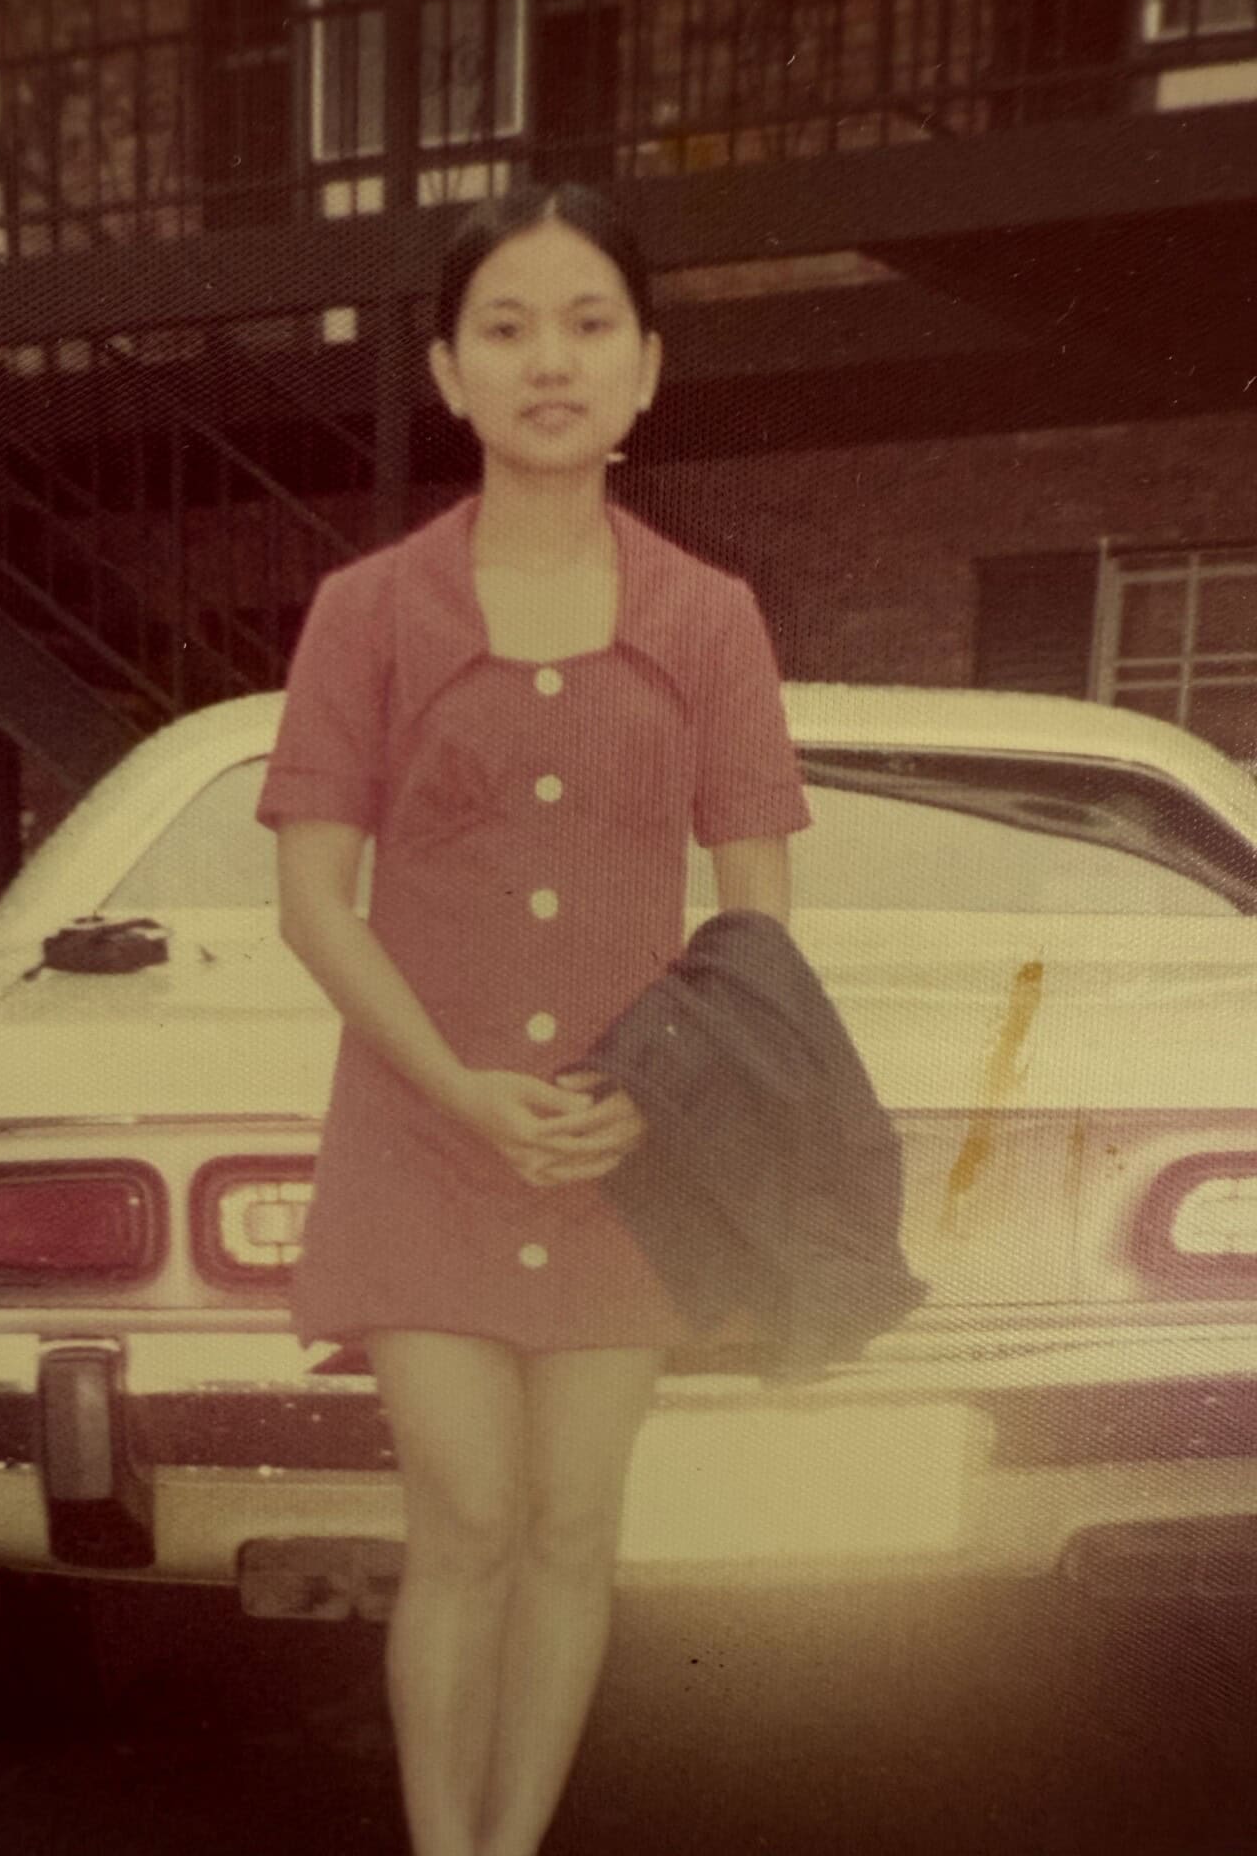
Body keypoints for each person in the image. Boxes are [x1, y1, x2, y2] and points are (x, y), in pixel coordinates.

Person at [256, 182, 813, 1856]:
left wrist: (664, 1092)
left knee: (577, 1525)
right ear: (448, 370)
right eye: (506, 326)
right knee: (471, 1515)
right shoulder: (367, 612)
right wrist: (460, 1089)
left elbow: (759, 909)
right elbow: (308, 901)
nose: (547, 360)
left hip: (624, 1144)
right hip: (427, 1135)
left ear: (645, 370)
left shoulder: (712, 618)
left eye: (587, 326)